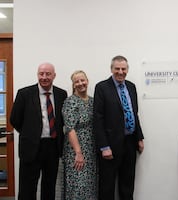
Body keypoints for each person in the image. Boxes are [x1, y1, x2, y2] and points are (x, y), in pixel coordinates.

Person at [10, 62, 67, 200]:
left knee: (49, 186)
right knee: (27, 188)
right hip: (31, 147)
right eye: (41, 73)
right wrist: (30, 134)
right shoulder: (24, 94)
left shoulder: (61, 94)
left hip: (53, 147)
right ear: (37, 74)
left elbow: (62, 120)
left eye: (48, 74)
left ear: (54, 75)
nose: (44, 77)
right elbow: (15, 119)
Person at [93, 55, 144, 200]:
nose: (120, 72)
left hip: (129, 142)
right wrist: (104, 146)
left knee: (127, 184)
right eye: (117, 69)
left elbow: (134, 114)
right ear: (111, 69)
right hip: (110, 144)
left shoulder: (131, 87)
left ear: (127, 69)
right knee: (107, 185)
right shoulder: (102, 87)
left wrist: (139, 137)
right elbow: (98, 119)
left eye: (123, 69)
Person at [62, 70, 97, 199]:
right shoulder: (70, 102)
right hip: (76, 151)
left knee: (90, 186)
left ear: (87, 81)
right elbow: (70, 129)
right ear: (73, 85)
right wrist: (78, 153)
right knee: (78, 186)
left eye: (83, 80)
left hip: (91, 151)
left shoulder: (93, 101)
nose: (80, 83)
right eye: (77, 81)